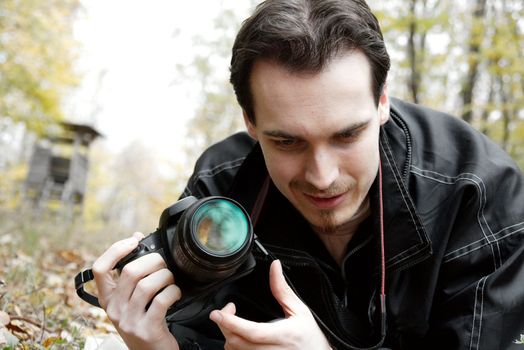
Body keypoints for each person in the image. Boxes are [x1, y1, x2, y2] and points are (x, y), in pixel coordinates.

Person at [91, 0, 524, 349]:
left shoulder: (480, 193)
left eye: (347, 135)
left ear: (382, 103)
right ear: (251, 122)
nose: (322, 176)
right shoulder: (222, 194)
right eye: (287, 142)